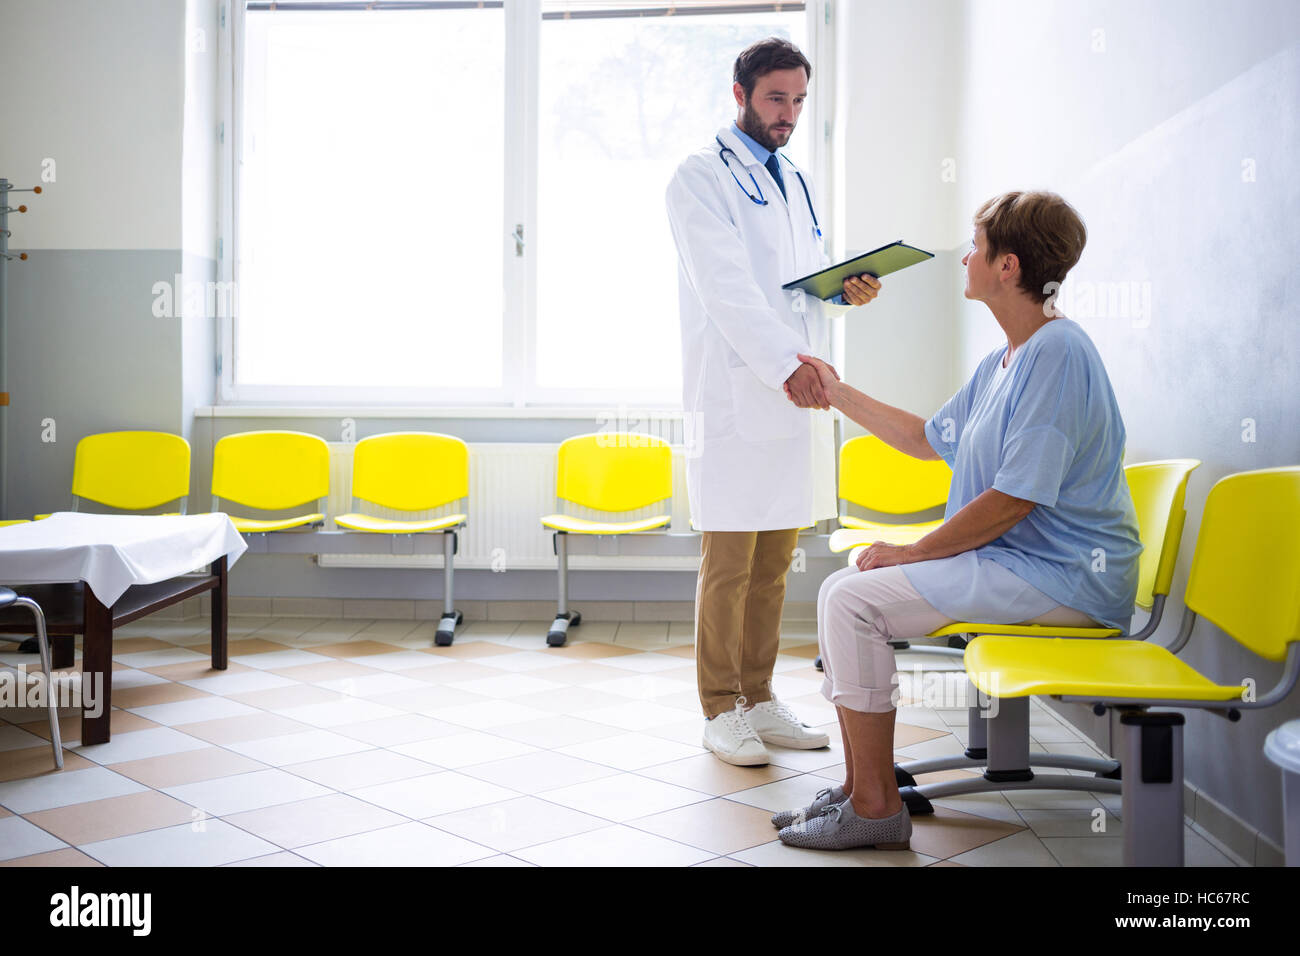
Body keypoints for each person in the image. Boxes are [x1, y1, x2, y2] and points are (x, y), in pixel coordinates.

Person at [773, 190, 1141, 850]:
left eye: (974, 245)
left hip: (1065, 578)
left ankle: (876, 805)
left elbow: (1013, 499)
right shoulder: (1005, 359)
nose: (963, 257)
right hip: (1020, 564)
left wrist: (912, 552)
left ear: (1007, 266)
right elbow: (926, 438)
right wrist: (836, 390)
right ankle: (864, 791)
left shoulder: (1057, 353)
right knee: (840, 592)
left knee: (855, 602)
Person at [665, 37, 883, 766]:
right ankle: (718, 708)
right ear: (740, 94)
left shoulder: (797, 181)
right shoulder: (699, 178)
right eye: (775, 99)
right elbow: (726, 288)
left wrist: (846, 293)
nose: (787, 115)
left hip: (794, 392)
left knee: (775, 559)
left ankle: (758, 696)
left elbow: (801, 290)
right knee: (729, 559)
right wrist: (786, 364)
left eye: (797, 101)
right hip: (738, 392)